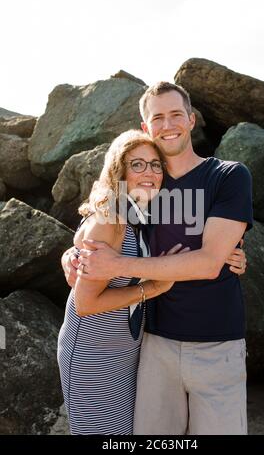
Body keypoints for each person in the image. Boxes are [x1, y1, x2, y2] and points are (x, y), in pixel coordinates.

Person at [71, 82, 253, 435]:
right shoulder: (146, 181)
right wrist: (73, 254)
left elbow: (208, 262)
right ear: (146, 128)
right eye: (158, 118)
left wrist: (120, 266)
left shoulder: (228, 176)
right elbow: (96, 224)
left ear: (191, 119)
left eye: (175, 115)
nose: (167, 125)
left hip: (218, 344)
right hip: (154, 344)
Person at [57, 129, 188, 435]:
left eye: (156, 164)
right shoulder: (110, 220)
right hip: (92, 351)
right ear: (119, 170)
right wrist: (151, 289)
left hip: (124, 350)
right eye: (137, 164)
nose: (149, 172)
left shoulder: (139, 215)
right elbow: (86, 303)